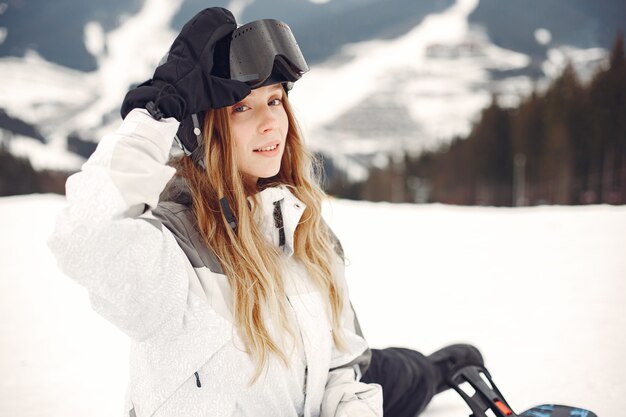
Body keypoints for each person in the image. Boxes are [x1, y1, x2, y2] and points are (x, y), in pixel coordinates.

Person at [49, 7, 482, 417]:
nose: (270, 122)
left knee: (392, 373)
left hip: (329, 380)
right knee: (395, 374)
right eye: (242, 108)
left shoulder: (305, 233)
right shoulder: (174, 253)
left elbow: (341, 369)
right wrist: (156, 110)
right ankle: (435, 370)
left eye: (275, 101)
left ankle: (434, 370)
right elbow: (86, 237)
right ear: (206, 132)